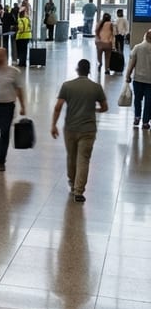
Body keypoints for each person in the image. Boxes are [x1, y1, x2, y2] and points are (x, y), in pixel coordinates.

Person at [51, 59, 108, 202]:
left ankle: (72, 182)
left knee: (71, 156)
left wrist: (53, 125)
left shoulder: (67, 86)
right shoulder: (96, 87)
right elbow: (105, 107)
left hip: (70, 128)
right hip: (88, 129)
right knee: (84, 158)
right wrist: (94, 109)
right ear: (89, 71)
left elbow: (58, 107)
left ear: (77, 69)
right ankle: (79, 191)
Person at [128, 29, 151, 129]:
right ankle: (145, 122)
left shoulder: (138, 47)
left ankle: (137, 117)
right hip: (150, 80)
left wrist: (127, 75)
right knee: (149, 101)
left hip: (138, 78)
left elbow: (132, 63)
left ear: (145, 36)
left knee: (137, 99)